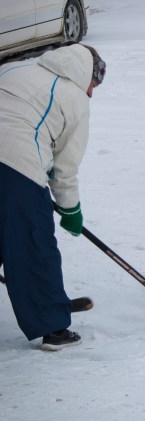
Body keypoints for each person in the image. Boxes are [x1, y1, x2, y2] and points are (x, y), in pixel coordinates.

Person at [0, 43, 106, 350]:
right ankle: (52, 328)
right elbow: (66, 167)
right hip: (17, 165)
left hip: (15, 163)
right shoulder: (74, 98)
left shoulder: (16, 68)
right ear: (88, 72)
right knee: (32, 244)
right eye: (94, 84)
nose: (92, 93)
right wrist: (70, 210)